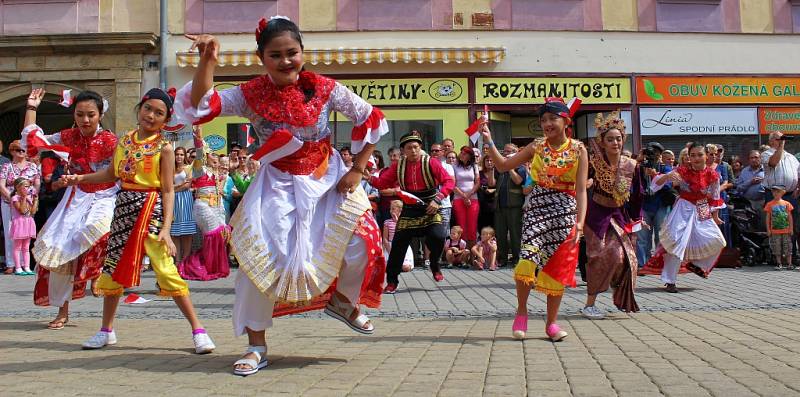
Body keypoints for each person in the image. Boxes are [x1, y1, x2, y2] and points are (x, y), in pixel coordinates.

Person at [182, 16, 388, 375]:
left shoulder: (324, 88)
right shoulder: (249, 94)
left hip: (327, 179)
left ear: (303, 53)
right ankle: (255, 345)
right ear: (262, 58)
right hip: (276, 184)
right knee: (257, 261)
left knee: (362, 244)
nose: (285, 61)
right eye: (275, 55)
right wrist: (209, 60)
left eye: (292, 53)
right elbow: (201, 105)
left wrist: (357, 169)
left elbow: (370, 117)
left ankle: (342, 301)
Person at [64, 87, 215, 354]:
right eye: (148, 109)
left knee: (166, 270)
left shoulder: (165, 148)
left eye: (159, 113)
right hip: (123, 210)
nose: (151, 115)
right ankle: (106, 330)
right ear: (140, 108)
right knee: (112, 269)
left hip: (151, 210)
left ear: (166, 120)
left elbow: (168, 190)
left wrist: (167, 230)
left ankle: (198, 330)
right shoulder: (124, 141)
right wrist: (81, 179)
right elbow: (112, 173)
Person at [481, 97, 588, 342]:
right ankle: (521, 311)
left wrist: (580, 223)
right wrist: (488, 141)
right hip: (537, 207)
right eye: (544, 120)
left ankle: (551, 324)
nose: (548, 124)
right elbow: (503, 164)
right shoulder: (536, 147)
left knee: (557, 266)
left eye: (553, 119)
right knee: (527, 257)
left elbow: (581, 189)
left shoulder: (579, 150)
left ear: (566, 121)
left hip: (565, 211)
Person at [23, 88, 118, 330]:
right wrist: (31, 108)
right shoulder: (68, 137)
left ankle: (98, 272)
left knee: (96, 229)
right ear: (74, 114)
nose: (85, 120)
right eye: (80, 114)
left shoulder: (111, 141)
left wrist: (81, 178)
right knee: (58, 250)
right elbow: (33, 141)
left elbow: (120, 170)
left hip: (105, 196)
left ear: (100, 115)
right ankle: (62, 311)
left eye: (91, 115)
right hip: (76, 198)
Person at [372, 132, 454, 293]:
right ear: (403, 150)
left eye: (416, 147)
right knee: (398, 245)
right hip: (409, 209)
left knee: (438, 237)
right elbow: (382, 182)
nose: (414, 151)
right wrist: (369, 178)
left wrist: (437, 200)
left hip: (430, 206)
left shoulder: (431, 162)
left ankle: (435, 264)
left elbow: (449, 181)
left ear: (420, 148)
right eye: (409, 148)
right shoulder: (398, 165)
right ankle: (392, 281)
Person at [581, 111, 644, 319]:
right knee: (598, 258)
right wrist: (586, 184)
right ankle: (590, 304)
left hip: (619, 215)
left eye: (618, 139)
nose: (615, 143)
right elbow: (579, 186)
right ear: (602, 141)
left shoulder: (631, 166)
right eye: (610, 139)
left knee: (624, 258)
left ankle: (620, 295)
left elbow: (637, 195)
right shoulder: (592, 162)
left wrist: (637, 218)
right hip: (596, 215)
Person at [651, 142, 726, 293]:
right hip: (684, 207)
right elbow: (656, 184)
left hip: (702, 207)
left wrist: (715, 216)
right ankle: (670, 280)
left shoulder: (713, 175)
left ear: (706, 156)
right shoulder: (682, 170)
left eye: (699, 155)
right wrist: (667, 176)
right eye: (693, 155)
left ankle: (698, 266)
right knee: (677, 243)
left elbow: (716, 197)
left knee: (718, 241)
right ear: (689, 157)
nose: (696, 158)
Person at [178, 127, 231, 282]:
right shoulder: (199, 170)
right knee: (213, 235)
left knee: (221, 234)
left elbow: (219, 197)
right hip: (202, 206)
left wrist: (223, 220)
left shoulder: (217, 176)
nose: (214, 161)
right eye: (211, 158)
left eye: (216, 160)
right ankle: (205, 266)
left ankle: (213, 266)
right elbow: (200, 152)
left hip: (215, 206)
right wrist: (198, 137)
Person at [0, 140, 40, 274]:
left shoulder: (33, 166)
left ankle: (25, 265)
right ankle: (11, 263)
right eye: (18, 150)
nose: (22, 152)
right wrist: (12, 198)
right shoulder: (7, 166)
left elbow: (37, 184)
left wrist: (31, 196)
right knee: (10, 231)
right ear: (12, 151)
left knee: (25, 232)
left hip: (27, 203)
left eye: (24, 150)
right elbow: (1, 184)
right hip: (9, 202)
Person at [761, 131, 800, 262]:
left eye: (782, 139)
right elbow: (773, 162)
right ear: (771, 141)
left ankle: (791, 256)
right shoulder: (766, 154)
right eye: (778, 139)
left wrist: (798, 187)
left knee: (791, 226)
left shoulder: (791, 157)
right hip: (774, 197)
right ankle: (777, 257)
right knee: (777, 225)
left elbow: (798, 174)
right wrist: (781, 146)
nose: (781, 141)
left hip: (791, 196)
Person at [635, 142, 672, 267]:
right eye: (650, 152)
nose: (653, 155)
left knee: (660, 236)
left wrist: (656, 176)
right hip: (644, 206)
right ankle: (642, 264)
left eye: (656, 153)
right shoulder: (639, 167)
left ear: (660, 154)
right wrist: (638, 159)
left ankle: (659, 263)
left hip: (660, 205)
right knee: (642, 237)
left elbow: (668, 184)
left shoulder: (665, 168)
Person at [494, 143, 527, 268]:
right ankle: (502, 258)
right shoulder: (501, 168)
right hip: (500, 205)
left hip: (514, 205)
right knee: (500, 234)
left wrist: (510, 167)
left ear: (516, 152)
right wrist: (494, 168)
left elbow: (518, 180)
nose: (506, 154)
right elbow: (492, 183)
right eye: (505, 151)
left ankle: (516, 258)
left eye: (509, 151)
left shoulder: (521, 167)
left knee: (515, 233)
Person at [172, 146, 196, 265]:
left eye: (181, 154)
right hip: (173, 201)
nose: (179, 157)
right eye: (177, 154)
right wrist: (177, 187)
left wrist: (173, 189)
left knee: (187, 232)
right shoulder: (170, 168)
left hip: (185, 200)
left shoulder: (188, 168)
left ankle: (185, 259)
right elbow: (165, 185)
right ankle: (178, 259)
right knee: (174, 232)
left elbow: (187, 185)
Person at [452, 146, 480, 246]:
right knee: (461, 227)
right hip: (458, 199)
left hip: (473, 199)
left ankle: (473, 255)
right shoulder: (454, 166)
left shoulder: (474, 166)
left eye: (464, 153)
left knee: (472, 228)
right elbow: (452, 184)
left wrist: (468, 195)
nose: (461, 155)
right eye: (461, 152)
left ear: (469, 156)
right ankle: (463, 255)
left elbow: (477, 183)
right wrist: (464, 196)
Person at [9, 178, 37, 275]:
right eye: (25, 186)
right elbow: (22, 210)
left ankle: (27, 267)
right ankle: (18, 268)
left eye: (28, 186)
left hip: (28, 223)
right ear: (18, 187)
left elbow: (32, 212)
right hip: (19, 224)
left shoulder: (29, 198)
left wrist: (35, 199)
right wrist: (24, 197)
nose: (27, 188)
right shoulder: (15, 198)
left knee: (26, 247)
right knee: (17, 247)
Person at [765, 185, 794, 270]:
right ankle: (779, 263)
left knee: (788, 247)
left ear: (783, 192)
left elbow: (790, 217)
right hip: (775, 231)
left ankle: (789, 263)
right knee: (776, 247)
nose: (775, 193)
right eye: (774, 191)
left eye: (778, 191)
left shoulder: (787, 204)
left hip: (786, 230)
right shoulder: (769, 204)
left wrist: (791, 228)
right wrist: (768, 230)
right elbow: (768, 218)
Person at [735, 150, 765, 225]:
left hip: (763, 203)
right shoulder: (744, 171)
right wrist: (750, 182)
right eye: (751, 158)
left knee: (763, 226)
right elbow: (738, 188)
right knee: (750, 226)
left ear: (760, 158)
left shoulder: (766, 170)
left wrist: (764, 182)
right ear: (748, 160)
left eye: (756, 157)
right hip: (748, 203)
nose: (754, 159)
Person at [383, 200, 414, 272]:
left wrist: (397, 221)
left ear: (400, 210)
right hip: (390, 247)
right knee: (384, 268)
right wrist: (390, 251)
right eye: (390, 209)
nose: (391, 211)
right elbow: (385, 239)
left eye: (393, 209)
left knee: (406, 268)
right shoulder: (387, 222)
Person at [478, 154, 497, 234]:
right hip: (482, 204)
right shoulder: (479, 173)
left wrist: (493, 190)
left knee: (494, 227)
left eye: (491, 160)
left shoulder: (498, 172)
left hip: (494, 204)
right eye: (487, 160)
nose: (489, 162)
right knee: (482, 226)